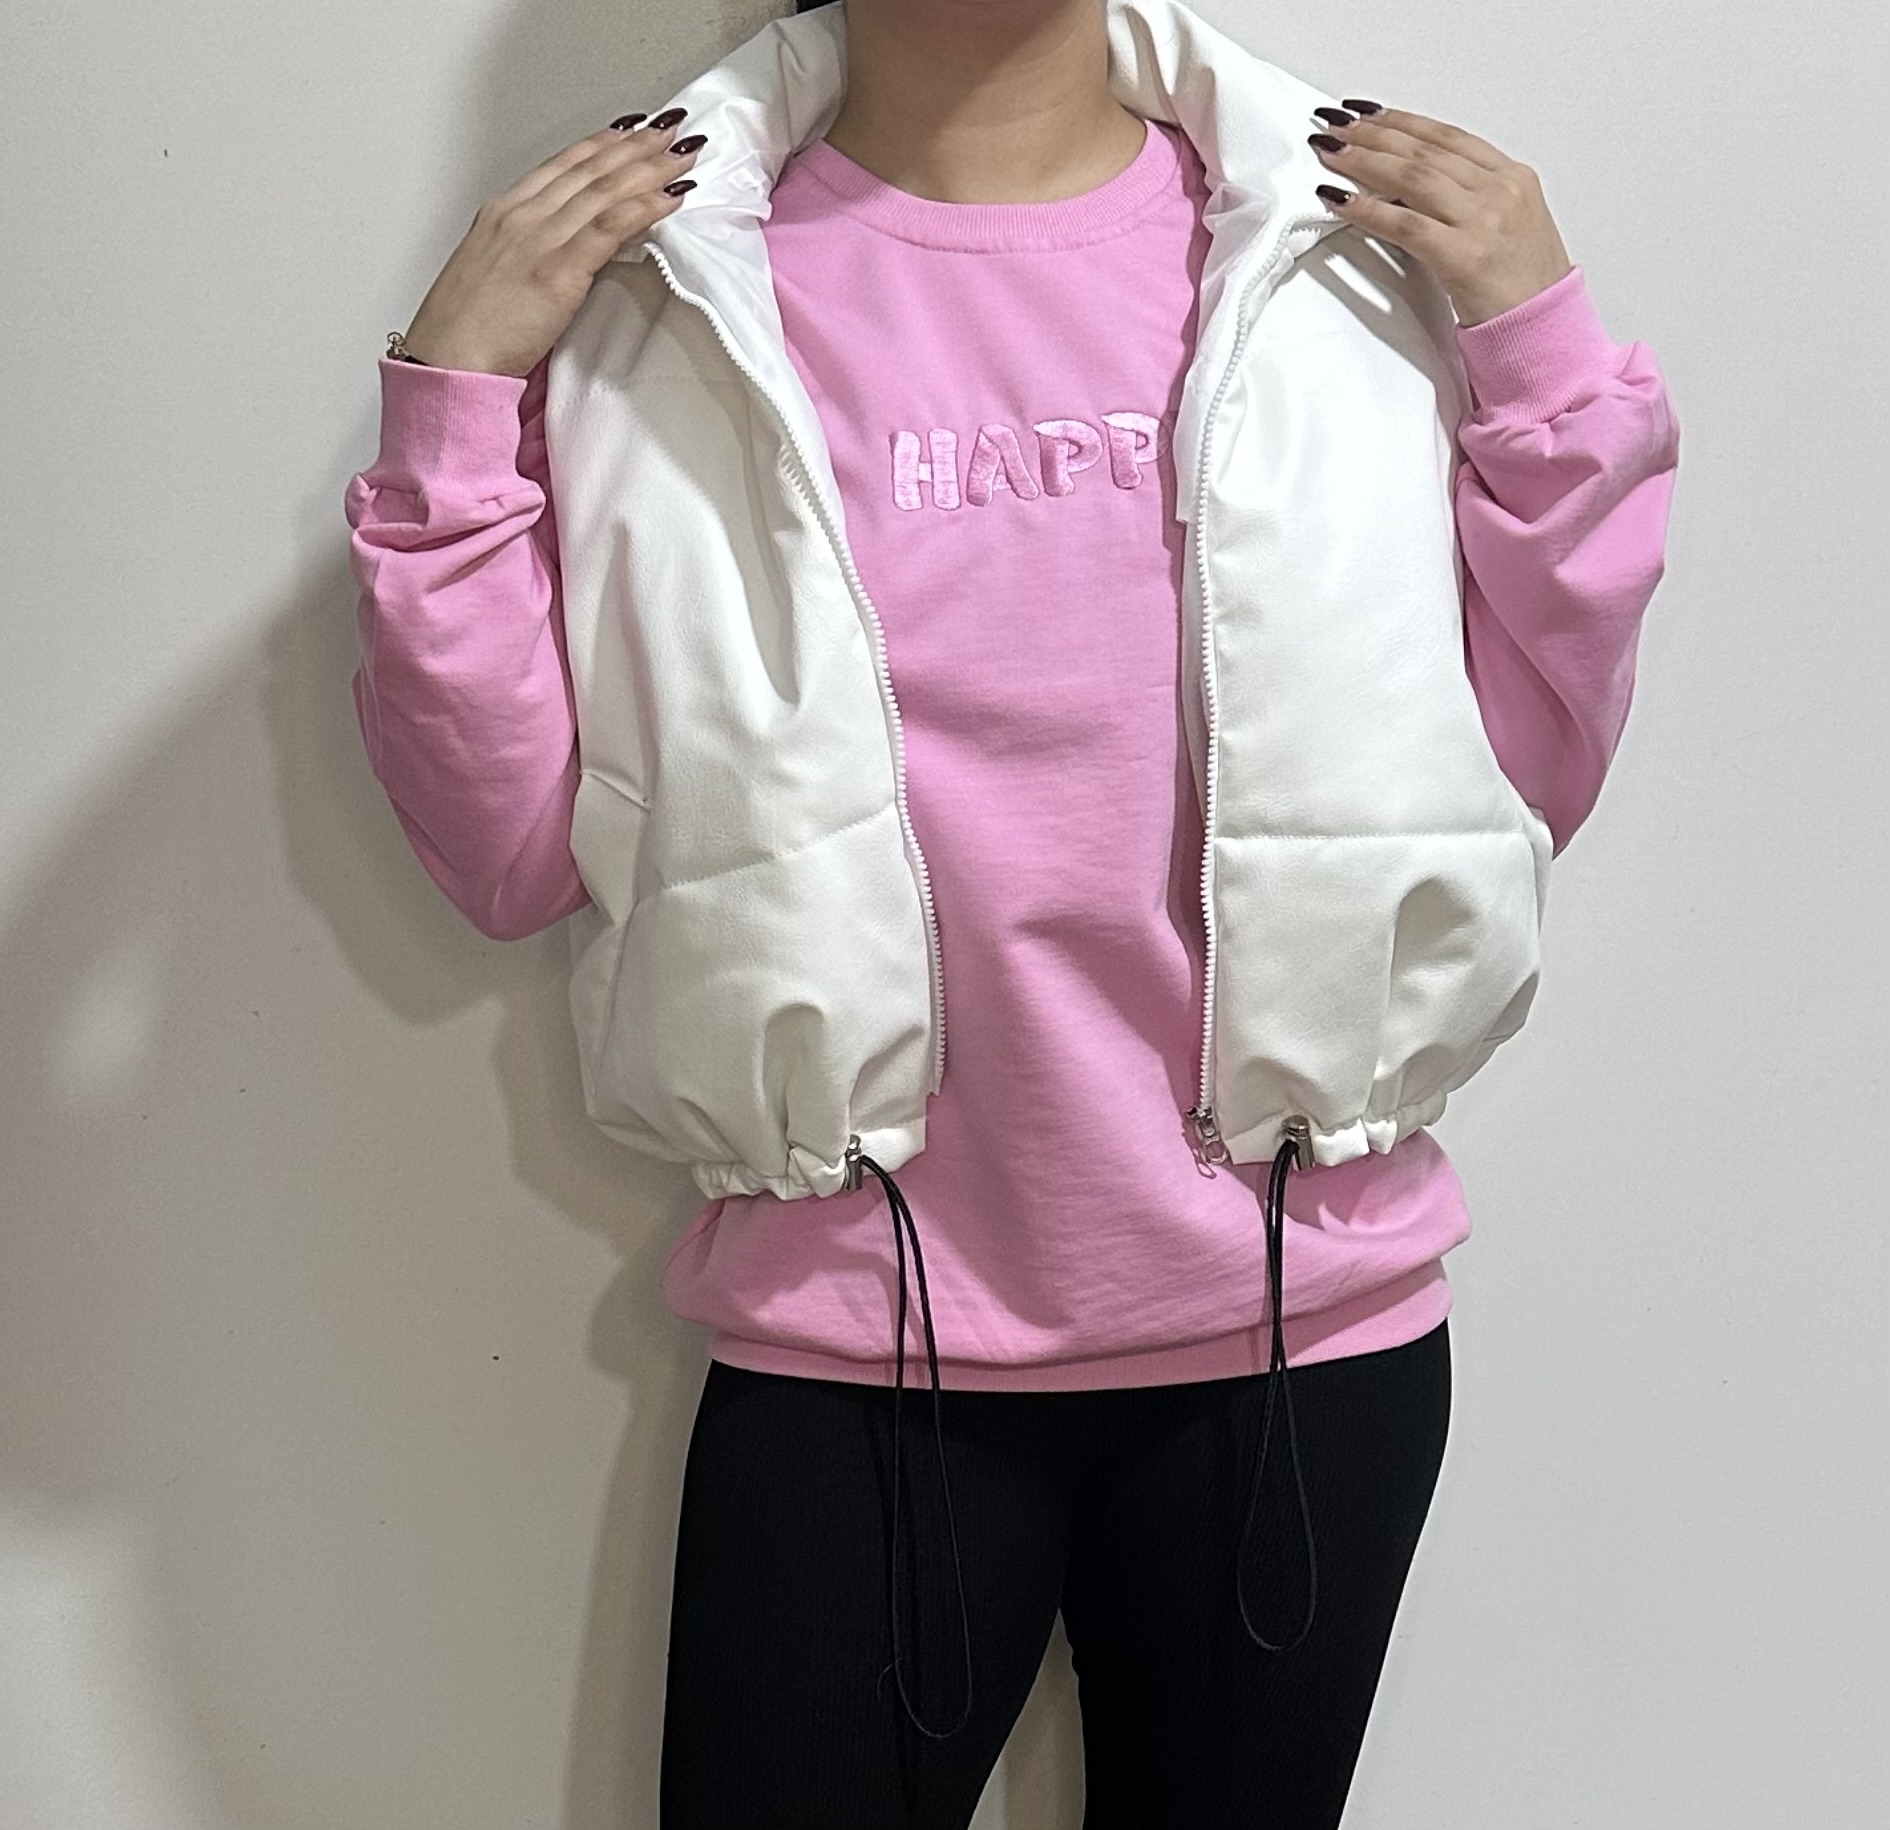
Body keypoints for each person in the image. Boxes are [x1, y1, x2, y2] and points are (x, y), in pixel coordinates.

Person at [344, 0, 1679, 1822]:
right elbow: (503, 851)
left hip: (1299, 1346)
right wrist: (454, 399)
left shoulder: (1346, 255)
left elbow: (1529, 769)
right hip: (850, 1338)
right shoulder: (655, 289)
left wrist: (1543, 355)